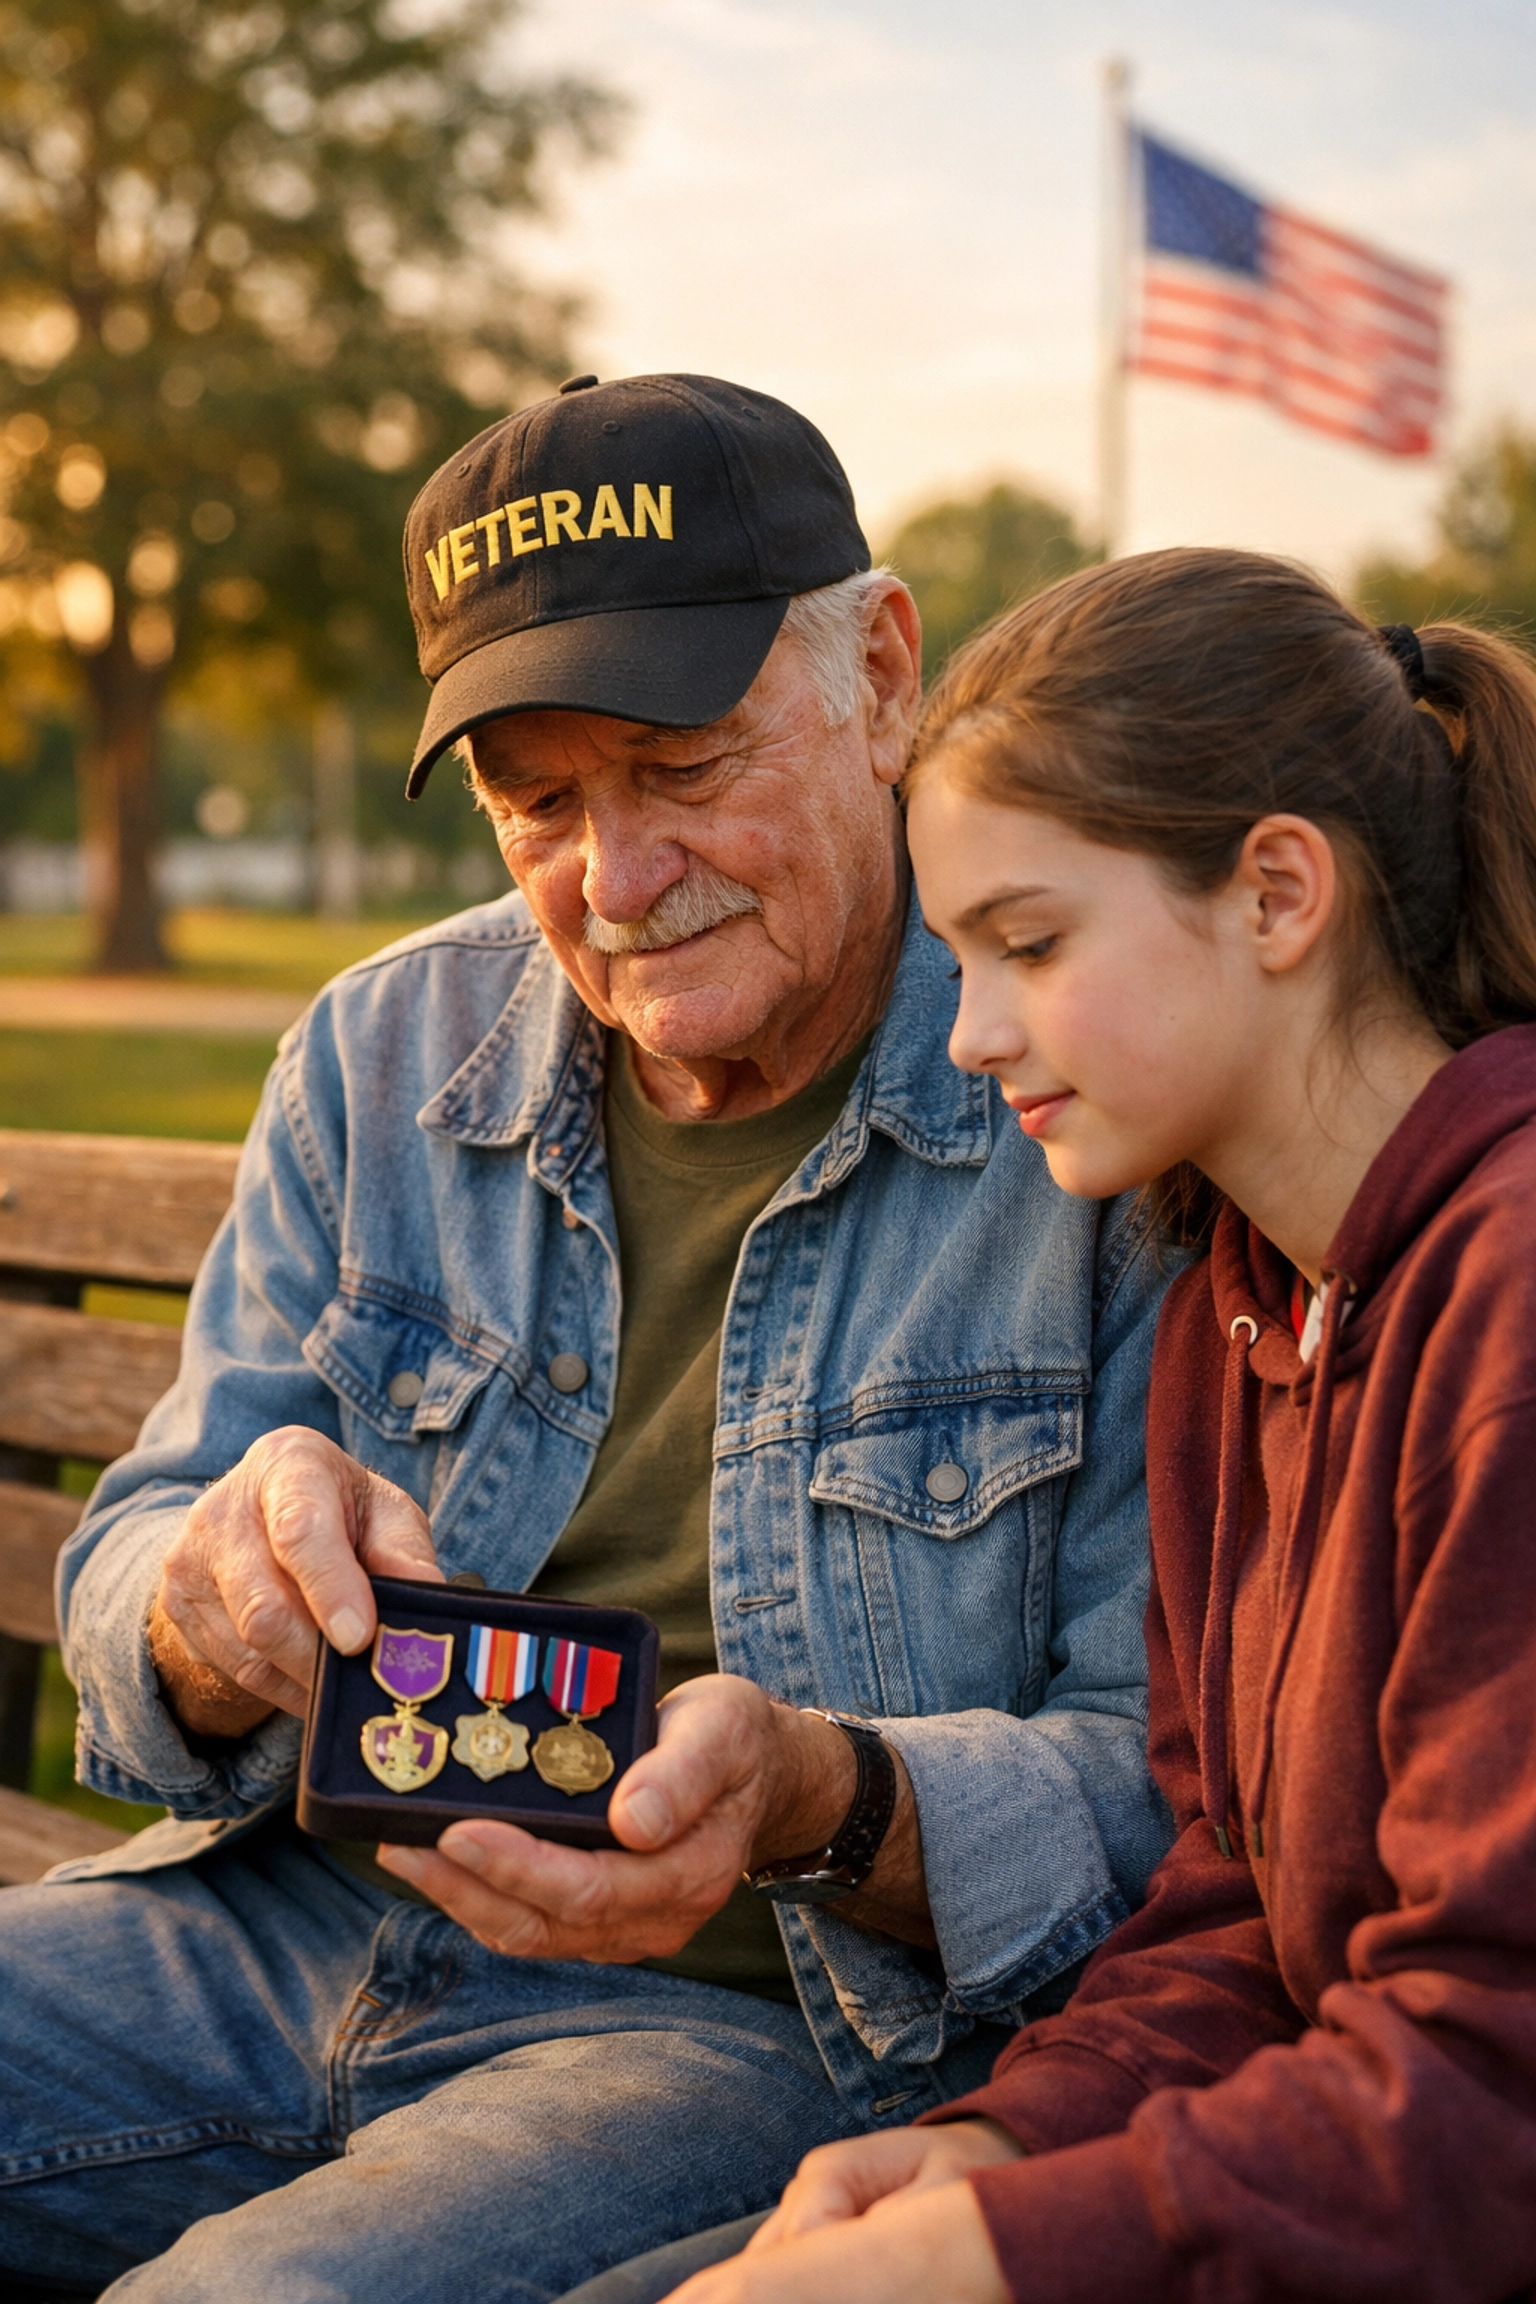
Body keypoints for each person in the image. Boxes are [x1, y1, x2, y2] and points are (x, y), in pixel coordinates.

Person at [0, 377, 1173, 2304]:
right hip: (262, 1931)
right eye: (537, 802)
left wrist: (817, 1793)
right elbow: (139, 1557)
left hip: (736, 2027)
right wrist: (212, 1604)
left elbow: (1161, 1796)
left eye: (686, 762)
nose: (615, 882)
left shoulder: (1084, 1095)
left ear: (883, 677)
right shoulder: (381, 1055)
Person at [638, 547, 1536, 2304]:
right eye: (960, 955)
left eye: (1029, 945)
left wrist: (983, 2259)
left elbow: (1495, 2097)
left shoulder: (1502, 1306)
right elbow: (1236, 1905)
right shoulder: (1243, 1294)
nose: (968, 1034)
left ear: (1280, 894)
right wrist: (1006, 2143)